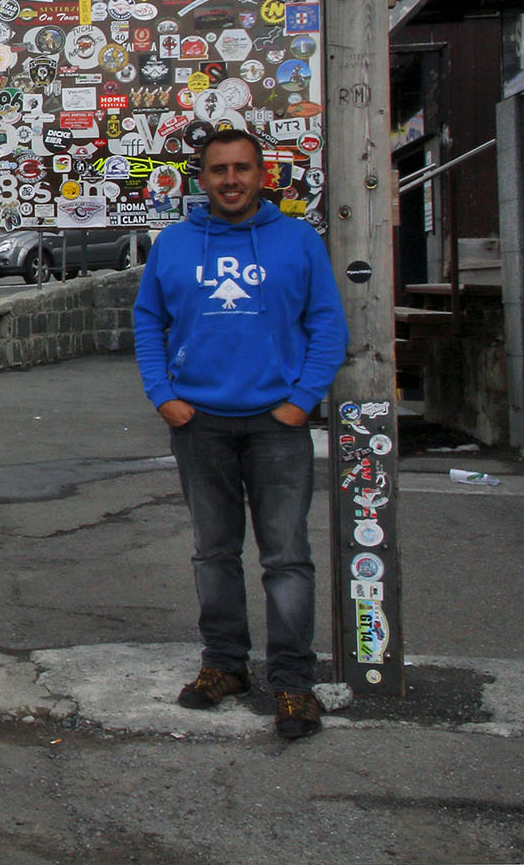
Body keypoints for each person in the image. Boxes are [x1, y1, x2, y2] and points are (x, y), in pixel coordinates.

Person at [133, 127, 346, 741]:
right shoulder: (174, 244)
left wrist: (302, 402)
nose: (231, 179)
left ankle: (293, 682)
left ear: (261, 175)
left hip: (276, 424)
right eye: (219, 169)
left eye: (242, 168)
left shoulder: (298, 240)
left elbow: (327, 324)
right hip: (199, 423)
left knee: (286, 557)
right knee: (214, 553)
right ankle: (225, 665)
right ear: (202, 179)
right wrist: (163, 396)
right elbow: (148, 322)